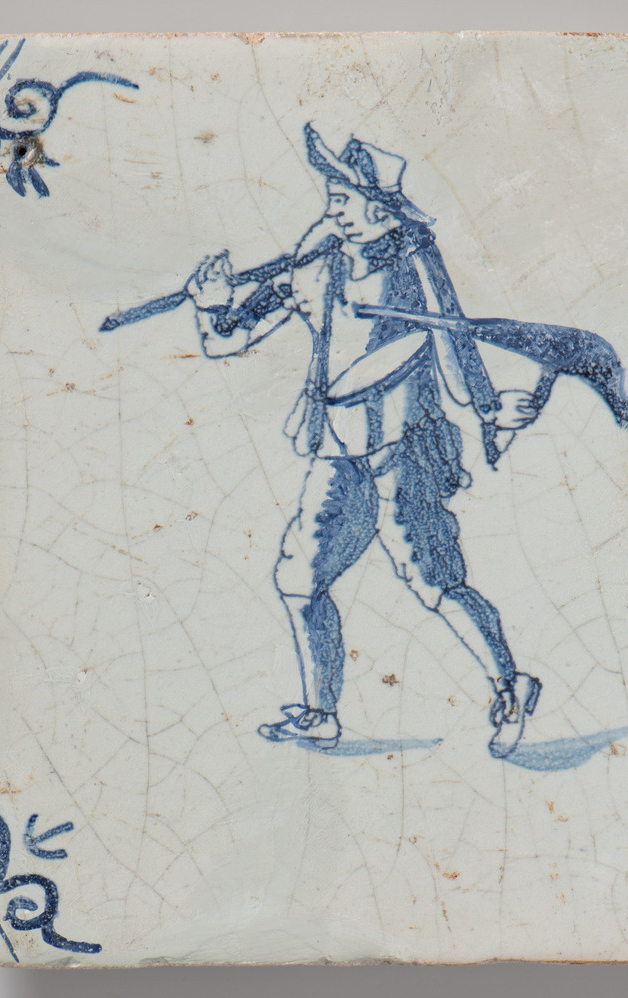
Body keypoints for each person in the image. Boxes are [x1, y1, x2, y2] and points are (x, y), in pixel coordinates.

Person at [186, 124, 547, 758]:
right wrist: (212, 304)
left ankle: (510, 685)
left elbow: (453, 343)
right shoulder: (315, 256)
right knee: (300, 579)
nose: (334, 211)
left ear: (380, 210)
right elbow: (232, 336)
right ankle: (319, 713)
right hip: (335, 450)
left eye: (344, 200)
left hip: (403, 447)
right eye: (331, 199)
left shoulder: (413, 262)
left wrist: (490, 412)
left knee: (434, 581)